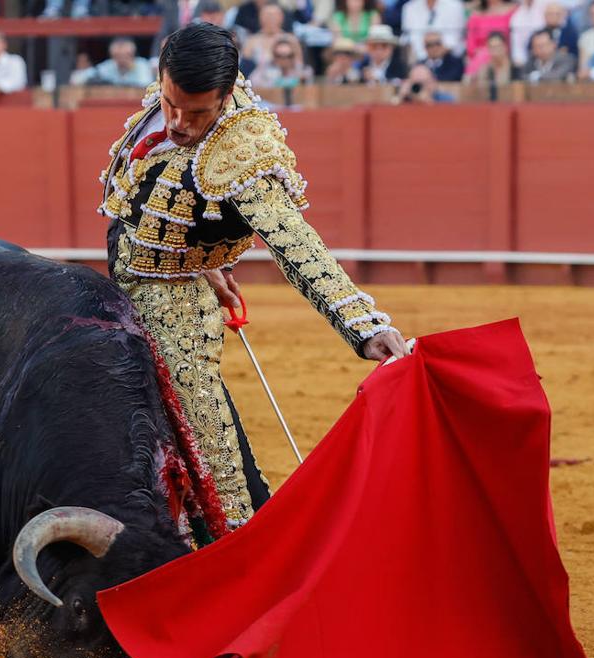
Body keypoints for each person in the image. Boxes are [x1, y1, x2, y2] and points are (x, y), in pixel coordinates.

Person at [99, 22, 406, 538]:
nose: (177, 122)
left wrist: (364, 325)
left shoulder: (244, 151)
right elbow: (154, 200)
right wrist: (202, 254)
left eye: (197, 113)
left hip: (173, 302)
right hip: (129, 266)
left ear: (225, 97)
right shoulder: (178, 90)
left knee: (203, 434)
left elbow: (297, 245)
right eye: (171, 104)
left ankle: (235, 540)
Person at [401, 0, 466, 61]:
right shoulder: (409, 7)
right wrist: (426, 58)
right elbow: (410, 38)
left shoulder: (455, 6)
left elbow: (455, 39)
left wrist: (435, 53)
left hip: (450, 59)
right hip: (419, 60)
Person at [465, 0, 516, 76]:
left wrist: (498, 49)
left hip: (505, 54)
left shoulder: (513, 11)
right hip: (481, 58)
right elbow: (471, 47)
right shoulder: (475, 16)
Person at [79, 36, 154, 86]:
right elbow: (82, 76)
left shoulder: (142, 65)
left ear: (132, 54)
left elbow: (145, 84)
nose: (121, 59)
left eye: (125, 55)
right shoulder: (108, 66)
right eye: (117, 56)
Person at [243, 3, 290, 68]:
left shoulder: (290, 40)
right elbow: (244, 66)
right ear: (260, 17)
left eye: (275, 15)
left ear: (282, 17)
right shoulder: (251, 41)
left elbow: (299, 67)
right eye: (268, 15)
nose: (271, 18)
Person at [510, 0, 548, 65]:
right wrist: (518, 59)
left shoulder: (544, 9)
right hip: (524, 57)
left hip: (543, 55)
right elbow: (516, 42)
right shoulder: (516, 17)